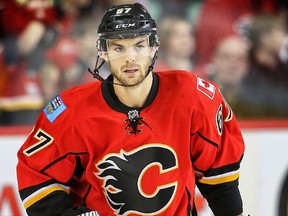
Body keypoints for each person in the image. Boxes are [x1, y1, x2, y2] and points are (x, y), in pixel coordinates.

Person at [16, 3, 245, 216]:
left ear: (154, 47)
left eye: (139, 46)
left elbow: (220, 181)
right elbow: (36, 178)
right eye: (118, 48)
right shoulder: (71, 112)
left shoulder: (193, 97)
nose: (130, 58)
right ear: (103, 52)